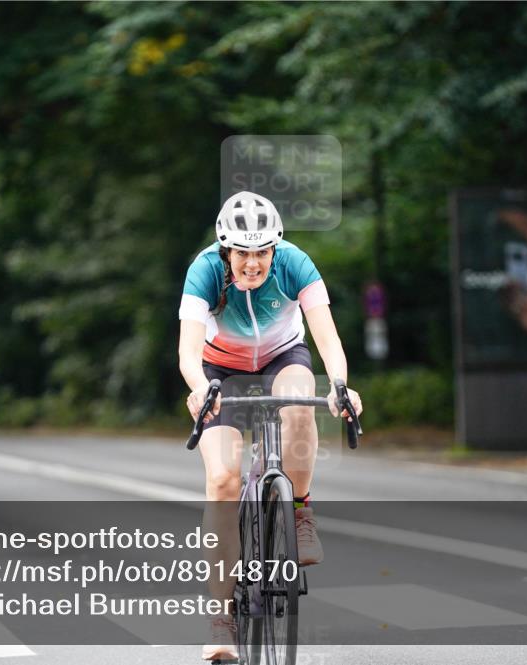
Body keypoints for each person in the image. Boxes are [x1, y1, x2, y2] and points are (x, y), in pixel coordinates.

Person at [178, 191, 363, 660]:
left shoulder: (296, 263)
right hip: (220, 371)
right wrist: (201, 386)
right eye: (243, 252)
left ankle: (299, 510)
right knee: (221, 479)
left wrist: (341, 386)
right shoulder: (204, 270)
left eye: (262, 252)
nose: (253, 264)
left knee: (302, 397)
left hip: (283, 356)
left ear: (275, 249)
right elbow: (187, 350)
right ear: (226, 250)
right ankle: (222, 622)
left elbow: (327, 337)